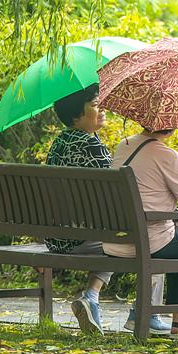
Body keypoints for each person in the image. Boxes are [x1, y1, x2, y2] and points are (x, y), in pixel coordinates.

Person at [104, 127, 178, 338]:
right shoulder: (165, 154)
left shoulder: (124, 146)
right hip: (150, 241)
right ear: (172, 127)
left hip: (118, 241)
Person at [43, 83, 116, 335]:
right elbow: (119, 193)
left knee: (120, 238)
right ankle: (93, 296)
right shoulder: (91, 146)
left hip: (55, 237)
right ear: (77, 116)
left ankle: (91, 301)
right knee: (142, 239)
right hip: (79, 237)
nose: (102, 109)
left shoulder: (58, 143)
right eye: (95, 105)